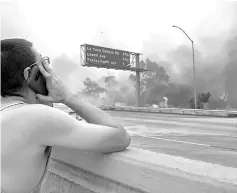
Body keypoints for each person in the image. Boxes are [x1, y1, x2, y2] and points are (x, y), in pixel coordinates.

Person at [1, 38, 131, 193]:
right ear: (31, 74)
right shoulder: (37, 117)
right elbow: (120, 137)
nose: (49, 70)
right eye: (44, 64)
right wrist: (67, 96)